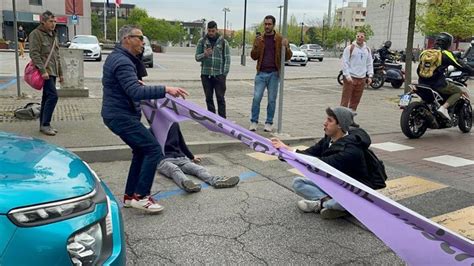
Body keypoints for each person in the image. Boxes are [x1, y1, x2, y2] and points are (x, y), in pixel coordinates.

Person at [102, 25, 188, 213]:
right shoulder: (123, 61)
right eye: (139, 38)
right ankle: (141, 196)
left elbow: (127, 85)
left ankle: (129, 196)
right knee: (153, 149)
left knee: (141, 151)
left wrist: (136, 83)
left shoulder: (119, 58)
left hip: (117, 115)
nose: (143, 42)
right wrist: (165, 89)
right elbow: (135, 92)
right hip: (120, 116)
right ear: (126, 39)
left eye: (143, 38)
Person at [272, 107, 377, 219]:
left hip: (351, 190)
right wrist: (285, 153)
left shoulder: (351, 149)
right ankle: (329, 204)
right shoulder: (329, 139)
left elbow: (322, 163)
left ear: (340, 125)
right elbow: (309, 153)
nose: (325, 123)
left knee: (340, 202)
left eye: (330, 120)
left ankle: (322, 205)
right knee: (298, 183)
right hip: (332, 184)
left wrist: (290, 151)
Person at [152, 123, 239, 193]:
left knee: (198, 169)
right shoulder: (152, 129)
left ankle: (216, 180)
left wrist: (191, 157)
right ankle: (187, 183)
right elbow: (146, 149)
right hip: (163, 160)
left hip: (180, 158)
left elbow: (182, 143)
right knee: (174, 169)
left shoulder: (174, 124)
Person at [249, 15, 292, 132]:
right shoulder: (260, 39)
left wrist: (286, 46)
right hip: (261, 73)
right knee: (257, 97)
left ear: (273, 25)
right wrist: (256, 45)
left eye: (269, 24)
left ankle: (269, 122)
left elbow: (288, 57)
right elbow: (253, 56)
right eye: (265, 24)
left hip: (274, 73)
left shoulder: (279, 39)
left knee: (272, 99)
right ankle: (254, 121)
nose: (267, 26)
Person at [417, 32, 474, 120]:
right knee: (458, 92)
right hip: (438, 84)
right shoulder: (446, 53)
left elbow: (419, 68)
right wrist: (471, 71)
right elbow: (460, 65)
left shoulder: (425, 52)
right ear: (447, 43)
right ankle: (444, 108)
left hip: (422, 82)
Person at [29, 11, 63, 136]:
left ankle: (43, 124)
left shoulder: (53, 36)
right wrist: (43, 71)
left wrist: (61, 73)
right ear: (43, 22)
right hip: (45, 72)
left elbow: (57, 56)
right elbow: (34, 54)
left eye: (55, 21)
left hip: (52, 72)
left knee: (47, 97)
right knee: (53, 96)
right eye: (50, 21)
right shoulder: (36, 34)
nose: (53, 24)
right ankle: (46, 124)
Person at [195, 21, 231, 118]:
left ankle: (223, 120)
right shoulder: (202, 41)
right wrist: (205, 55)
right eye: (209, 31)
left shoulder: (223, 42)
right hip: (206, 74)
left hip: (219, 75)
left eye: (213, 31)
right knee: (208, 98)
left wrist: (224, 74)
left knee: (220, 98)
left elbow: (227, 59)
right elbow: (197, 57)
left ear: (216, 30)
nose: (211, 33)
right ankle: (212, 119)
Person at [340, 31, 373, 112]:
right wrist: (347, 76)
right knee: (345, 100)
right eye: (358, 36)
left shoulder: (367, 50)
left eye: (361, 36)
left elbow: (369, 63)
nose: (359, 38)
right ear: (356, 37)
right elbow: (345, 62)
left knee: (355, 101)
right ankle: (341, 119)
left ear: (364, 38)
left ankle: (350, 118)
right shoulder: (350, 48)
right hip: (351, 77)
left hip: (362, 79)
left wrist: (370, 75)